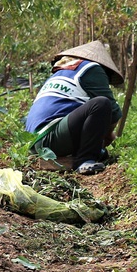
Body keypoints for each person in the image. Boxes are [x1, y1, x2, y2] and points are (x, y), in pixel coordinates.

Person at [25, 40, 124, 175]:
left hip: (33, 142)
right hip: (49, 137)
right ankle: (85, 160)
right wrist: (106, 136)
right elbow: (114, 112)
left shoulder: (60, 73)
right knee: (101, 104)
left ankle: (85, 152)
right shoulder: (92, 68)